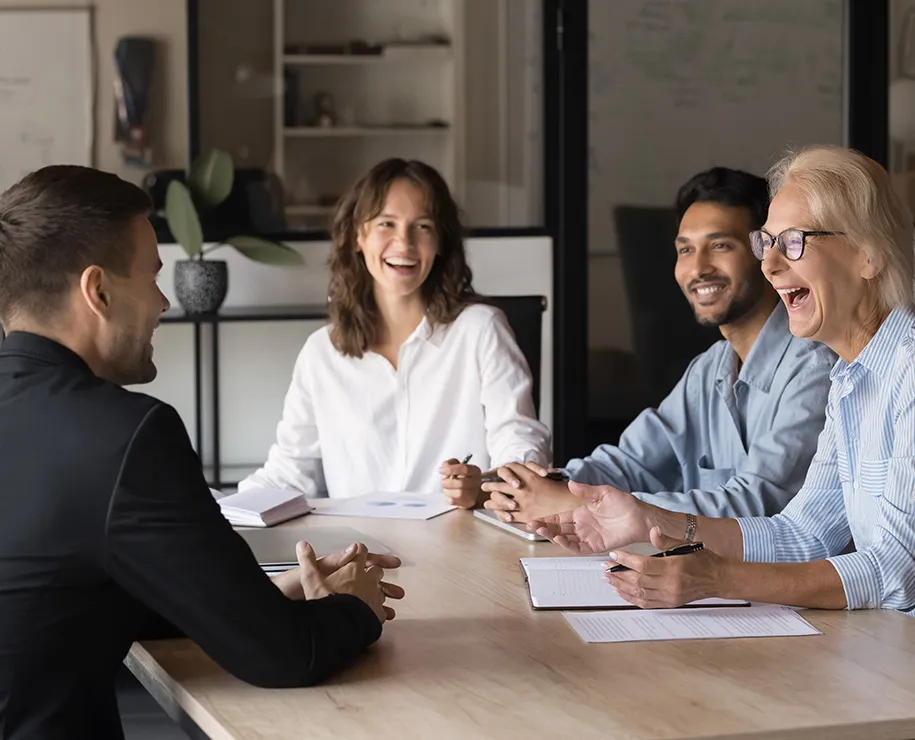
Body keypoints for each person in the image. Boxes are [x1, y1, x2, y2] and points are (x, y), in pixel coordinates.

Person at [0, 165, 404, 739]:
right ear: (99, 291)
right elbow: (284, 656)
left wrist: (252, 597)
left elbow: (56, 591)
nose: (165, 301)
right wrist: (359, 606)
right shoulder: (129, 437)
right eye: (152, 276)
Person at [532, 145, 915, 616]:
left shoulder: (908, 371)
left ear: (870, 254)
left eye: (793, 241)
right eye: (766, 244)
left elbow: (897, 571)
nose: (771, 265)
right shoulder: (850, 378)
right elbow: (804, 534)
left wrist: (717, 578)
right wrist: (646, 518)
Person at [483, 167, 835, 522]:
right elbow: (632, 463)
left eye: (720, 245)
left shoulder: (814, 366)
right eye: (685, 250)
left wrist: (577, 505)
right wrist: (534, 486)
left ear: (766, 252)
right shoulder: (710, 367)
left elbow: (756, 504)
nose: (698, 268)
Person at [238, 158, 551, 508]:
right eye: (387, 224)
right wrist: (211, 508)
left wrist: (486, 484)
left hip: (460, 544)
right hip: (361, 550)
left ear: (440, 243)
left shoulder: (481, 330)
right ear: (359, 236)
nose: (404, 243)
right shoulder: (320, 353)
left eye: (422, 226)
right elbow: (288, 473)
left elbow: (520, 442)